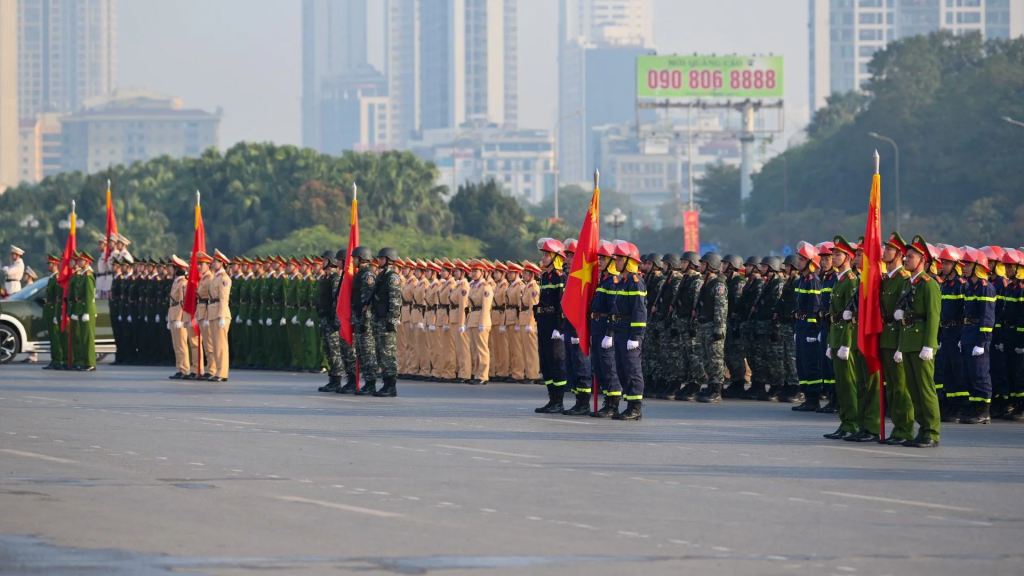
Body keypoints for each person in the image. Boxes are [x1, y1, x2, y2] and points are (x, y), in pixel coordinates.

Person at [892, 236, 942, 447]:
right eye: (906, 256)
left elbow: (933, 316)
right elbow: (906, 319)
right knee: (913, 390)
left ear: (923, 260)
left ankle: (931, 432)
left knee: (926, 389)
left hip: (922, 343)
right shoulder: (908, 283)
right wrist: (900, 346)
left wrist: (929, 345)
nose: (906, 260)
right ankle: (922, 430)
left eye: (910, 257)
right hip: (909, 344)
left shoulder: (929, 285)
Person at [879, 232, 915, 442]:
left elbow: (905, 314)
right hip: (886, 338)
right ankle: (898, 428)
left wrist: (902, 345)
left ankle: (905, 430)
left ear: (899, 254)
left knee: (901, 389)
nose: (884, 252)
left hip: (897, 338)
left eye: (889, 249)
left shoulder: (903, 280)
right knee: (892, 388)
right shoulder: (888, 280)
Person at [823, 237, 860, 440]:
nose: (833, 257)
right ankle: (845, 422)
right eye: (833, 254)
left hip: (845, 338)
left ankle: (852, 423)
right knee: (841, 384)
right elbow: (833, 314)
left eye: (837, 254)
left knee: (848, 383)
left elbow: (850, 316)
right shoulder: (839, 280)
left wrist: (846, 343)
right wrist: (831, 341)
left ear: (848, 257)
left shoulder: (851, 281)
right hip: (836, 335)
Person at [610, 241, 648, 419]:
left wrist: (636, 336)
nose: (616, 262)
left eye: (618, 259)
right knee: (621, 368)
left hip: (630, 332)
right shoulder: (622, 282)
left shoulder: (635, 282)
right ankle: (629, 403)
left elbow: (639, 311)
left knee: (632, 369)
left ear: (628, 261)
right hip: (619, 330)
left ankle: (635, 408)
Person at [959, 248, 997, 424]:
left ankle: (984, 411)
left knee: (981, 374)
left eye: (967, 264)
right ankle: (974, 409)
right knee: (968, 374)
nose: (964, 267)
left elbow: (987, 317)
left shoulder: (985, 288)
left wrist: (982, 342)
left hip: (977, 336)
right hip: (967, 333)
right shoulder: (970, 287)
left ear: (977, 267)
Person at [533, 239, 568, 411]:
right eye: (543, 254)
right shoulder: (544, 276)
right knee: (545, 362)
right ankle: (552, 398)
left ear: (555, 257)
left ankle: (559, 401)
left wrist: (559, 327)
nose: (544, 257)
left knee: (556, 362)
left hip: (554, 324)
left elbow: (562, 303)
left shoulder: (560, 277)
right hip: (543, 322)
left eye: (547, 254)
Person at [936, 246, 967, 422]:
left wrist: (962, 336)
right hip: (945, 331)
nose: (944, 266)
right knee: (946, 369)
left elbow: (965, 311)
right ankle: (951, 404)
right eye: (943, 263)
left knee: (958, 370)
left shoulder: (962, 285)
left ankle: (961, 407)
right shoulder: (944, 285)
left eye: (947, 263)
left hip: (956, 332)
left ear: (955, 265)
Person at [560, 240, 593, 414]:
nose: (567, 259)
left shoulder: (584, 274)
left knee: (581, 364)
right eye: (567, 255)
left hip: (580, 326)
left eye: (571, 255)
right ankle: (577, 400)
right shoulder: (569, 275)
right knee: (572, 364)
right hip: (569, 325)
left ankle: (584, 402)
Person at [793, 242, 825, 411]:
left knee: (810, 362)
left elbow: (814, 307)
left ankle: (813, 398)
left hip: (809, 328)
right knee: (801, 363)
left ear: (811, 262)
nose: (798, 262)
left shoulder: (813, 281)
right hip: (801, 325)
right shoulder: (802, 280)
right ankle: (807, 396)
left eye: (802, 259)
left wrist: (812, 330)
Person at [694, 252, 728, 403]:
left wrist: (718, 329)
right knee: (706, 358)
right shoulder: (706, 283)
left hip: (713, 327)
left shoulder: (718, 284)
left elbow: (720, 308)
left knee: (716, 359)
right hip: (703, 325)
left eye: (703, 264)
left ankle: (717, 389)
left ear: (710, 266)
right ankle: (710, 385)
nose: (700, 266)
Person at [371, 248, 404, 397]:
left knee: (388, 353)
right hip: (379, 319)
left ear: (390, 260)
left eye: (382, 259)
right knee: (380, 353)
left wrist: (392, 320)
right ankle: (385, 383)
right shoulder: (381, 276)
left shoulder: (392, 277)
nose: (379, 261)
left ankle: (391, 386)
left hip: (386, 320)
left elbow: (395, 300)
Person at [351, 246, 379, 395]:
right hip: (358, 317)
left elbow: (367, 301)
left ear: (362, 259)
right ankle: (367, 381)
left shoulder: (367, 275)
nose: (352, 261)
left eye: (354, 258)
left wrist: (364, 319)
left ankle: (371, 383)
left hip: (365, 319)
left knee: (368, 352)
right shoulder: (360, 274)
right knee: (361, 352)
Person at [722, 255, 749, 399]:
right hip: (729, 322)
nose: (723, 265)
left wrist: (736, 321)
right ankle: (734, 380)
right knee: (729, 354)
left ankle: (739, 382)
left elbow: (739, 303)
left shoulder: (738, 282)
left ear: (733, 265)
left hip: (735, 324)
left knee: (736, 354)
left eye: (726, 263)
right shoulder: (729, 280)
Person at [466, 259, 494, 384]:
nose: (473, 273)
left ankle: (483, 376)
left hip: (481, 320)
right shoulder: (472, 286)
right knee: (474, 349)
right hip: (472, 318)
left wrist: (482, 323)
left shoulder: (486, 287)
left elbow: (486, 306)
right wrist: (467, 321)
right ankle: (476, 374)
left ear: (482, 272)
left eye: (476, 271)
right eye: (472, 271)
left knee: (482, 349)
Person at [208, 250, 233, 382]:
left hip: (220, 313)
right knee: (215, 345)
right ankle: (218, 370)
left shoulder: (224, 279)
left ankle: (222, 372)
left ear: (221, 263)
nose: (212, 263)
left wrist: (222, 317)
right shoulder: (215, 278)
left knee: (221, 345)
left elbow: (224, 299)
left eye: (215, 261)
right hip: (213, 313)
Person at [70, 251, 97, 371]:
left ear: (86, 262)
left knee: (88, 338)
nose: (78, 262)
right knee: (82, 337)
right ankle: (85, 361)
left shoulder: (89, 276)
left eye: (81, 260)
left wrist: (86, 311)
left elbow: (89, 295)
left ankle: (91, 362)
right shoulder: (83, 275)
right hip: (81, 309)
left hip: (87, 310)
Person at [167, 255, 193, 379]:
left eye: (172, 268)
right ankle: (179, 368)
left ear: (177, 269)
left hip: (178, 315)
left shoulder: (183, 282)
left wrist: (180, 318)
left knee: (182, 344)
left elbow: (183, 302)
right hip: (173, 313)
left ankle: (185, 369)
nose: (170, 270)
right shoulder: (176, 281)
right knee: (176, 344)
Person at [43, 255, 66, 369]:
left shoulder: (57, 278)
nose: (48, 266)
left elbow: (58, 297)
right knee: (52, 337)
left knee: (56, 337)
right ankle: (54, 359)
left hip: (54, 309)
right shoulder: (51, 278)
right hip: (49, 309)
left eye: (49, 264)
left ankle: (58, 359)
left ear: (55, 264)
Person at [491, 261, 511, 382]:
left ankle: (504, 371)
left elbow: (505, 305)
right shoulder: (498, 285)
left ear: (503, 274)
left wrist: (503, 322)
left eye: (497, 272)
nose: (495, 275)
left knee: (503, 347)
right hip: (494, 317)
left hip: (501, 317)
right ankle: (499, 370)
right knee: (496, 347)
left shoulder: (505, 286)